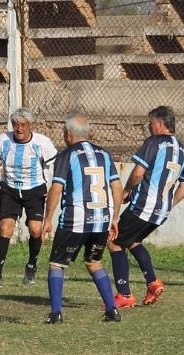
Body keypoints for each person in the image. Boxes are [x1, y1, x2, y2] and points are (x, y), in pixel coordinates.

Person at [40, 113, 123, 324]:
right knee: (94, 262)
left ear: (68, 134)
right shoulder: (104, 154)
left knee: (57, 264)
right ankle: (112, 310)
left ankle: (56, 313)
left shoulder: (67, 155)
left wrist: (48, 219)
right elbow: (116, 186)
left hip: (75, 220)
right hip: (101, 219)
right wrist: (114, 217)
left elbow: (56, 188)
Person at [107, 106, 184, 308]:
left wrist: (126, 190)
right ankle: (153, 283)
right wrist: (169, 204)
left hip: (143, 205)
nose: (148, 126)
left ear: (160, 123)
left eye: (150, 122)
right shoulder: (181, 150)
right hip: (160, 212)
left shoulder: (154, 142)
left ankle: (124, 295)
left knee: (114, 242)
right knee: (134, 241)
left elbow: (138, 173)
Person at [0, 107, 58, 288]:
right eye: (15, 125)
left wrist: (52, 190)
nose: (19, 129)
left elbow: (55, 168)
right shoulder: (3, 140)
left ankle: (31, 266)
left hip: (35, 190)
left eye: (23, 125)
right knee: (6, 229)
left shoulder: (43, 143)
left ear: (30, 126)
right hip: (10, 190)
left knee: (36, 230)